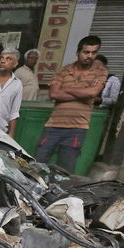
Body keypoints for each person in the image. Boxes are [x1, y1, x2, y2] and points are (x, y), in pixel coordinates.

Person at [35, 36, 107, 173]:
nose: (90, 56)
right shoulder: (64, 71)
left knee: (64, 171)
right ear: (77, 52)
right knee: (37, 165)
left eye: (94, 52)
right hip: (53, 126)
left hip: (77, 128)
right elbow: (54, 94)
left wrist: (66, 89)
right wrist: (83, 93)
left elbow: (92, 93)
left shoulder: (100, 72)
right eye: (86, 52)